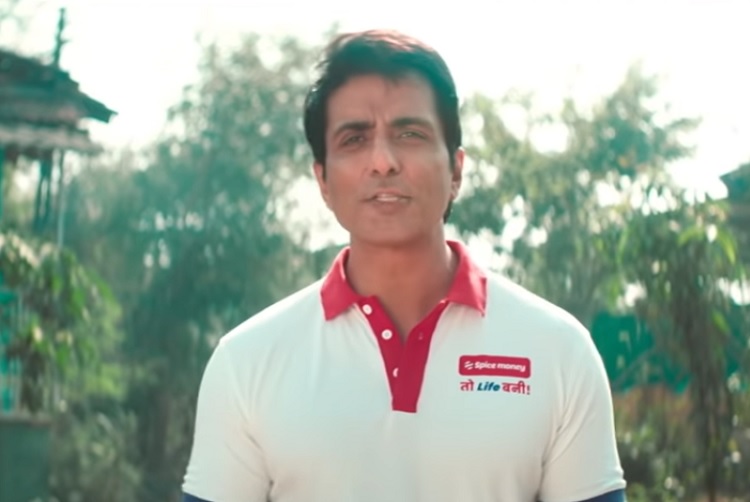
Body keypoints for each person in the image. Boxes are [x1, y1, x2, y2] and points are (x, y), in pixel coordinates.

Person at [181, 29, 627, 502]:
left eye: (410, 134)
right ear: (323, 181)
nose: (383, 161)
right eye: (354, 139)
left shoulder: (558, 351)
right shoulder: (246, 362)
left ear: (456, 170)